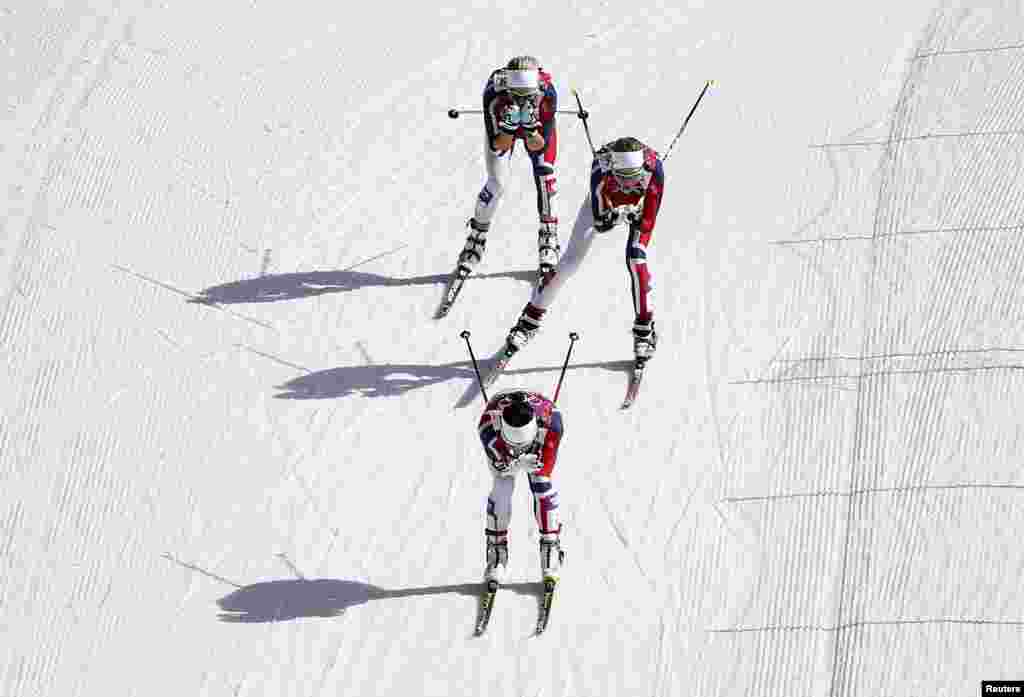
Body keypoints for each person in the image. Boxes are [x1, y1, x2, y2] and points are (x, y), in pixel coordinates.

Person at [501, 136, 665, 361]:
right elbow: (599, 221)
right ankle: (529, 320)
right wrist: (616, 215)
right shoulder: (600, 166)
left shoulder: (655, 170)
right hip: (605, 203)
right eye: (622, 177)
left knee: (637, 261)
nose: (627, 184)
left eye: (633, 178)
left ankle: (645, 331)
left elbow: (648, 220)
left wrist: (634, 214)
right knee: (568, 263)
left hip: (640, 204)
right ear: (613, 167)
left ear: (642, 169)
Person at [456, 55, 560, 278]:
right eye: (517, 95)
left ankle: (549, 238)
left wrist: (531, 129)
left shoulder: (547, 92)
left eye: (528, 96)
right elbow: (500, 144)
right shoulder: (494, 94)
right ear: (508, 87)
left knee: (545, 177)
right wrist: (509, 127)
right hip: (505, 127)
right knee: (496, 183)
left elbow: (539, 145)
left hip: (534, 129)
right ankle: (476, 237)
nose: (523, 101)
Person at [478, 389, 565, 584]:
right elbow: (501, 468)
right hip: (505, 439)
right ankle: (496, 553)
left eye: (523, 446)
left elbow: (544, 471)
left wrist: (520, 459)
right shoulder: (488, 428)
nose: (518, 451)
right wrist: (515, 463)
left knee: (541, 484)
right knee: (502, 487)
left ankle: (550, 548)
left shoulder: (553, 427)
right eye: (514, 446)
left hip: (541, 436)